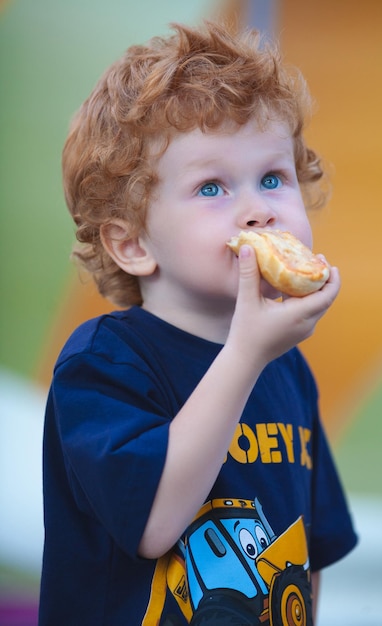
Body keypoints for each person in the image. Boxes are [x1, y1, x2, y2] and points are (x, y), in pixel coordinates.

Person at [39, 20, 357, 626]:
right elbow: (155, 522)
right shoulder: (102, 364)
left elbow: (306, 552)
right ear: (132, 245)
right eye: (212, 186)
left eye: (272, 177)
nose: (260, 209)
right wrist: (245, 354)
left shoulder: (288, 370)